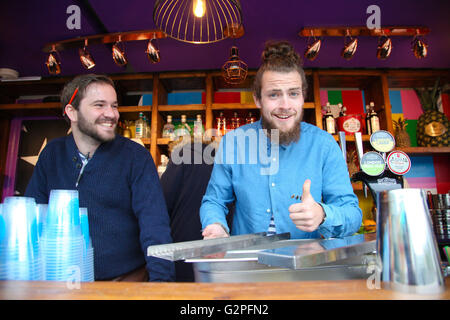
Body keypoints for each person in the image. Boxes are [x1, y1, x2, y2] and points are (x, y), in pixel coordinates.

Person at [200, 41, 362, 240]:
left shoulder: (325, 145)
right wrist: (216, 226)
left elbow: (352, 214)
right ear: (258, 99)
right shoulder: (233, 143)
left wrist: (323, 214)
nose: (285, 105)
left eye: (293, 93)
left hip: (305, 267)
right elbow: (214, 201)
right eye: (274, 95)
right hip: (248, 265)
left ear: (303, 97)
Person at [25, 74, 174, 281]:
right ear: (72, 112)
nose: (111, 114)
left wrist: (162, 285)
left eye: (114, 106)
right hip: (60, 279)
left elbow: (155, 226)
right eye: (99, 105)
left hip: (124, 281)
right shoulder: (52, 154)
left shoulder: (135, 157)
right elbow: (32, 217)